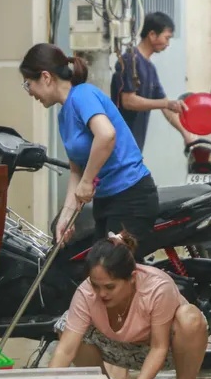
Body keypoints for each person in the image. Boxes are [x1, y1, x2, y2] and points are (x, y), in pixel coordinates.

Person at [20, 43, 158, 245]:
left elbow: (106, 135)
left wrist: (87, 182)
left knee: (112, 273)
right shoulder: (63, 116)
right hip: (106, 201)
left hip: (130, 197)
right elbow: (77, 171)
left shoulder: (82, 95)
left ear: (46, 77)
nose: (30, 92)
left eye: (27, 84)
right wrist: (66, 215)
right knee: (98, 271)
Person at [48, 231, 207, 379]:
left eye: (110, 287)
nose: (102, 294)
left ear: (132, 278)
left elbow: (158, 347)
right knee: (65, 324)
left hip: (167, 351)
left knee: (190, 317)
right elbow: (65, 350)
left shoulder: (157, 288)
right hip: (117, 349)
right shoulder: (85, 293)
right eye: (96, 286)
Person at [110, 12, 192, 151]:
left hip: (134, 146)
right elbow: (128, 101)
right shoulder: (130, 61)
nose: (168, 44)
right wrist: (166, 103)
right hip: (118, 145)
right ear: (152, 35)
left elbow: (165, 106)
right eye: (166, 38)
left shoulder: (150, 68)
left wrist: (187, 136)